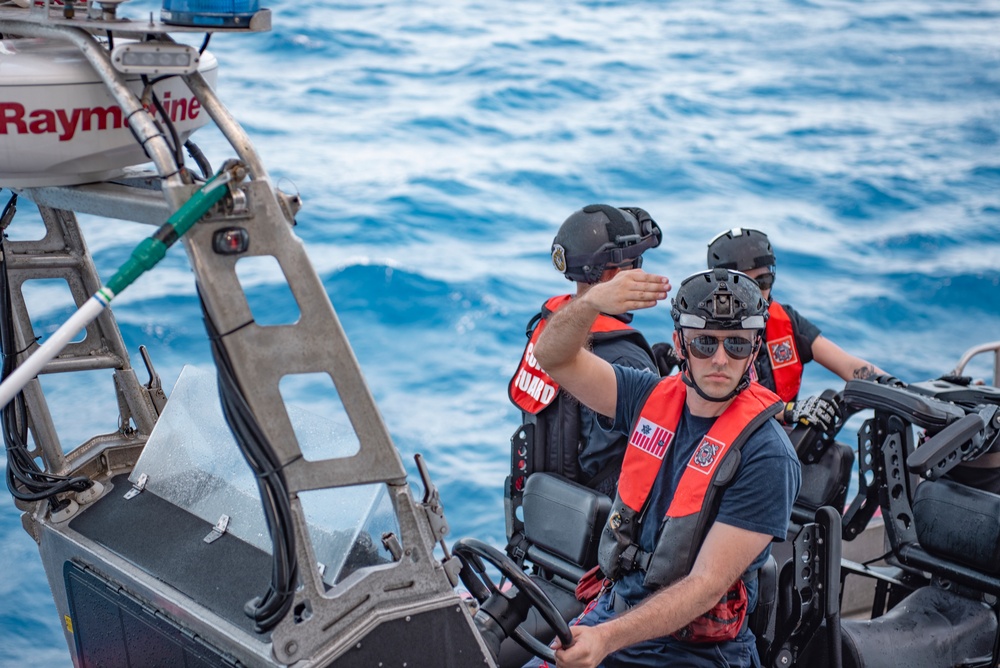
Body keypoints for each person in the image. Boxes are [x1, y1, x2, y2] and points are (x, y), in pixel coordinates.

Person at [525, 267, 801, 668]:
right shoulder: (644, 396)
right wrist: (591, 303)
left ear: (755, 350)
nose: (720, 360)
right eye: (705, 343)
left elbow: (705, 587)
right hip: (614, 615)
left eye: (737, 346)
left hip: (698, 652)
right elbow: (551, 356)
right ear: (679, 343)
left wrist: (605, 639)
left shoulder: (768, 455)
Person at [506, 204, 663, 556]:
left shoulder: (549, 328)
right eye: (635, 263)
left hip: (544, 523)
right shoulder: (625, 356)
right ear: (614, 271)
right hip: (602, 537)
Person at [707, 228, 887, 438]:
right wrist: (790, 411)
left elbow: (848, 365)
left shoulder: (786, 321)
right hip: (729, 444)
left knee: (838, 456)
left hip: (778, 437)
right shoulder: (705, 332)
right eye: (745, 284)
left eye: (763, 281)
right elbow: (719, 403)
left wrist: (897, 388)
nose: (756, 293)